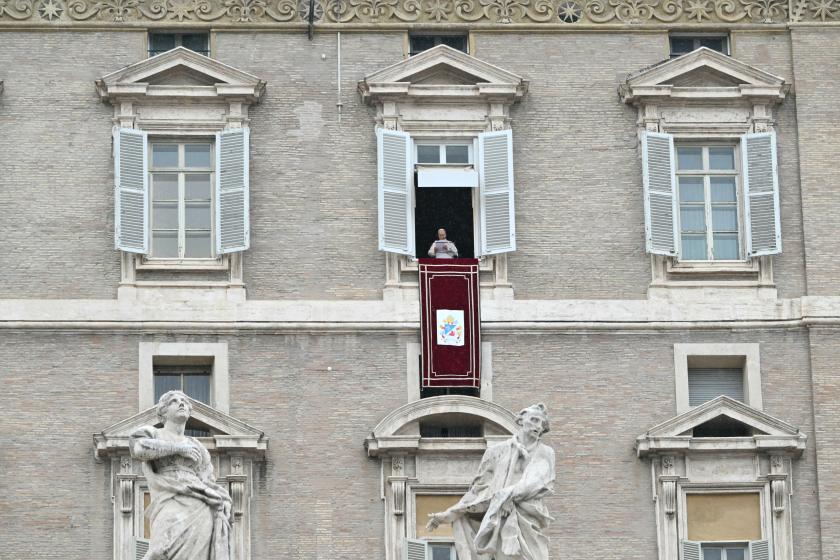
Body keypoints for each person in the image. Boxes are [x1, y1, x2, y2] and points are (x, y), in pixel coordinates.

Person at [426, 404, 555, 560]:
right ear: (521, 420)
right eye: (534, 420)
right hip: (499, 518)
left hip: (527, 518)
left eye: (542, 424)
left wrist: (505, 496)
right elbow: (479, 490)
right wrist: (451, 513)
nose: (538, 426)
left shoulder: (545, 452)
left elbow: (537, 482)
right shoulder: (496, 452)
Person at [130, 391, 232, 560]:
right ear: (163, 411)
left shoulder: (197, 446)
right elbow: (139, 448)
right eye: (174, 401)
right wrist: (179, 449)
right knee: (161, 549)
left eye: (184, 401)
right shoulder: (153, 433)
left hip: (200, 506)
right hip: (168, 500)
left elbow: (207, 480)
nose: (181, 403)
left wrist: (224, 498)